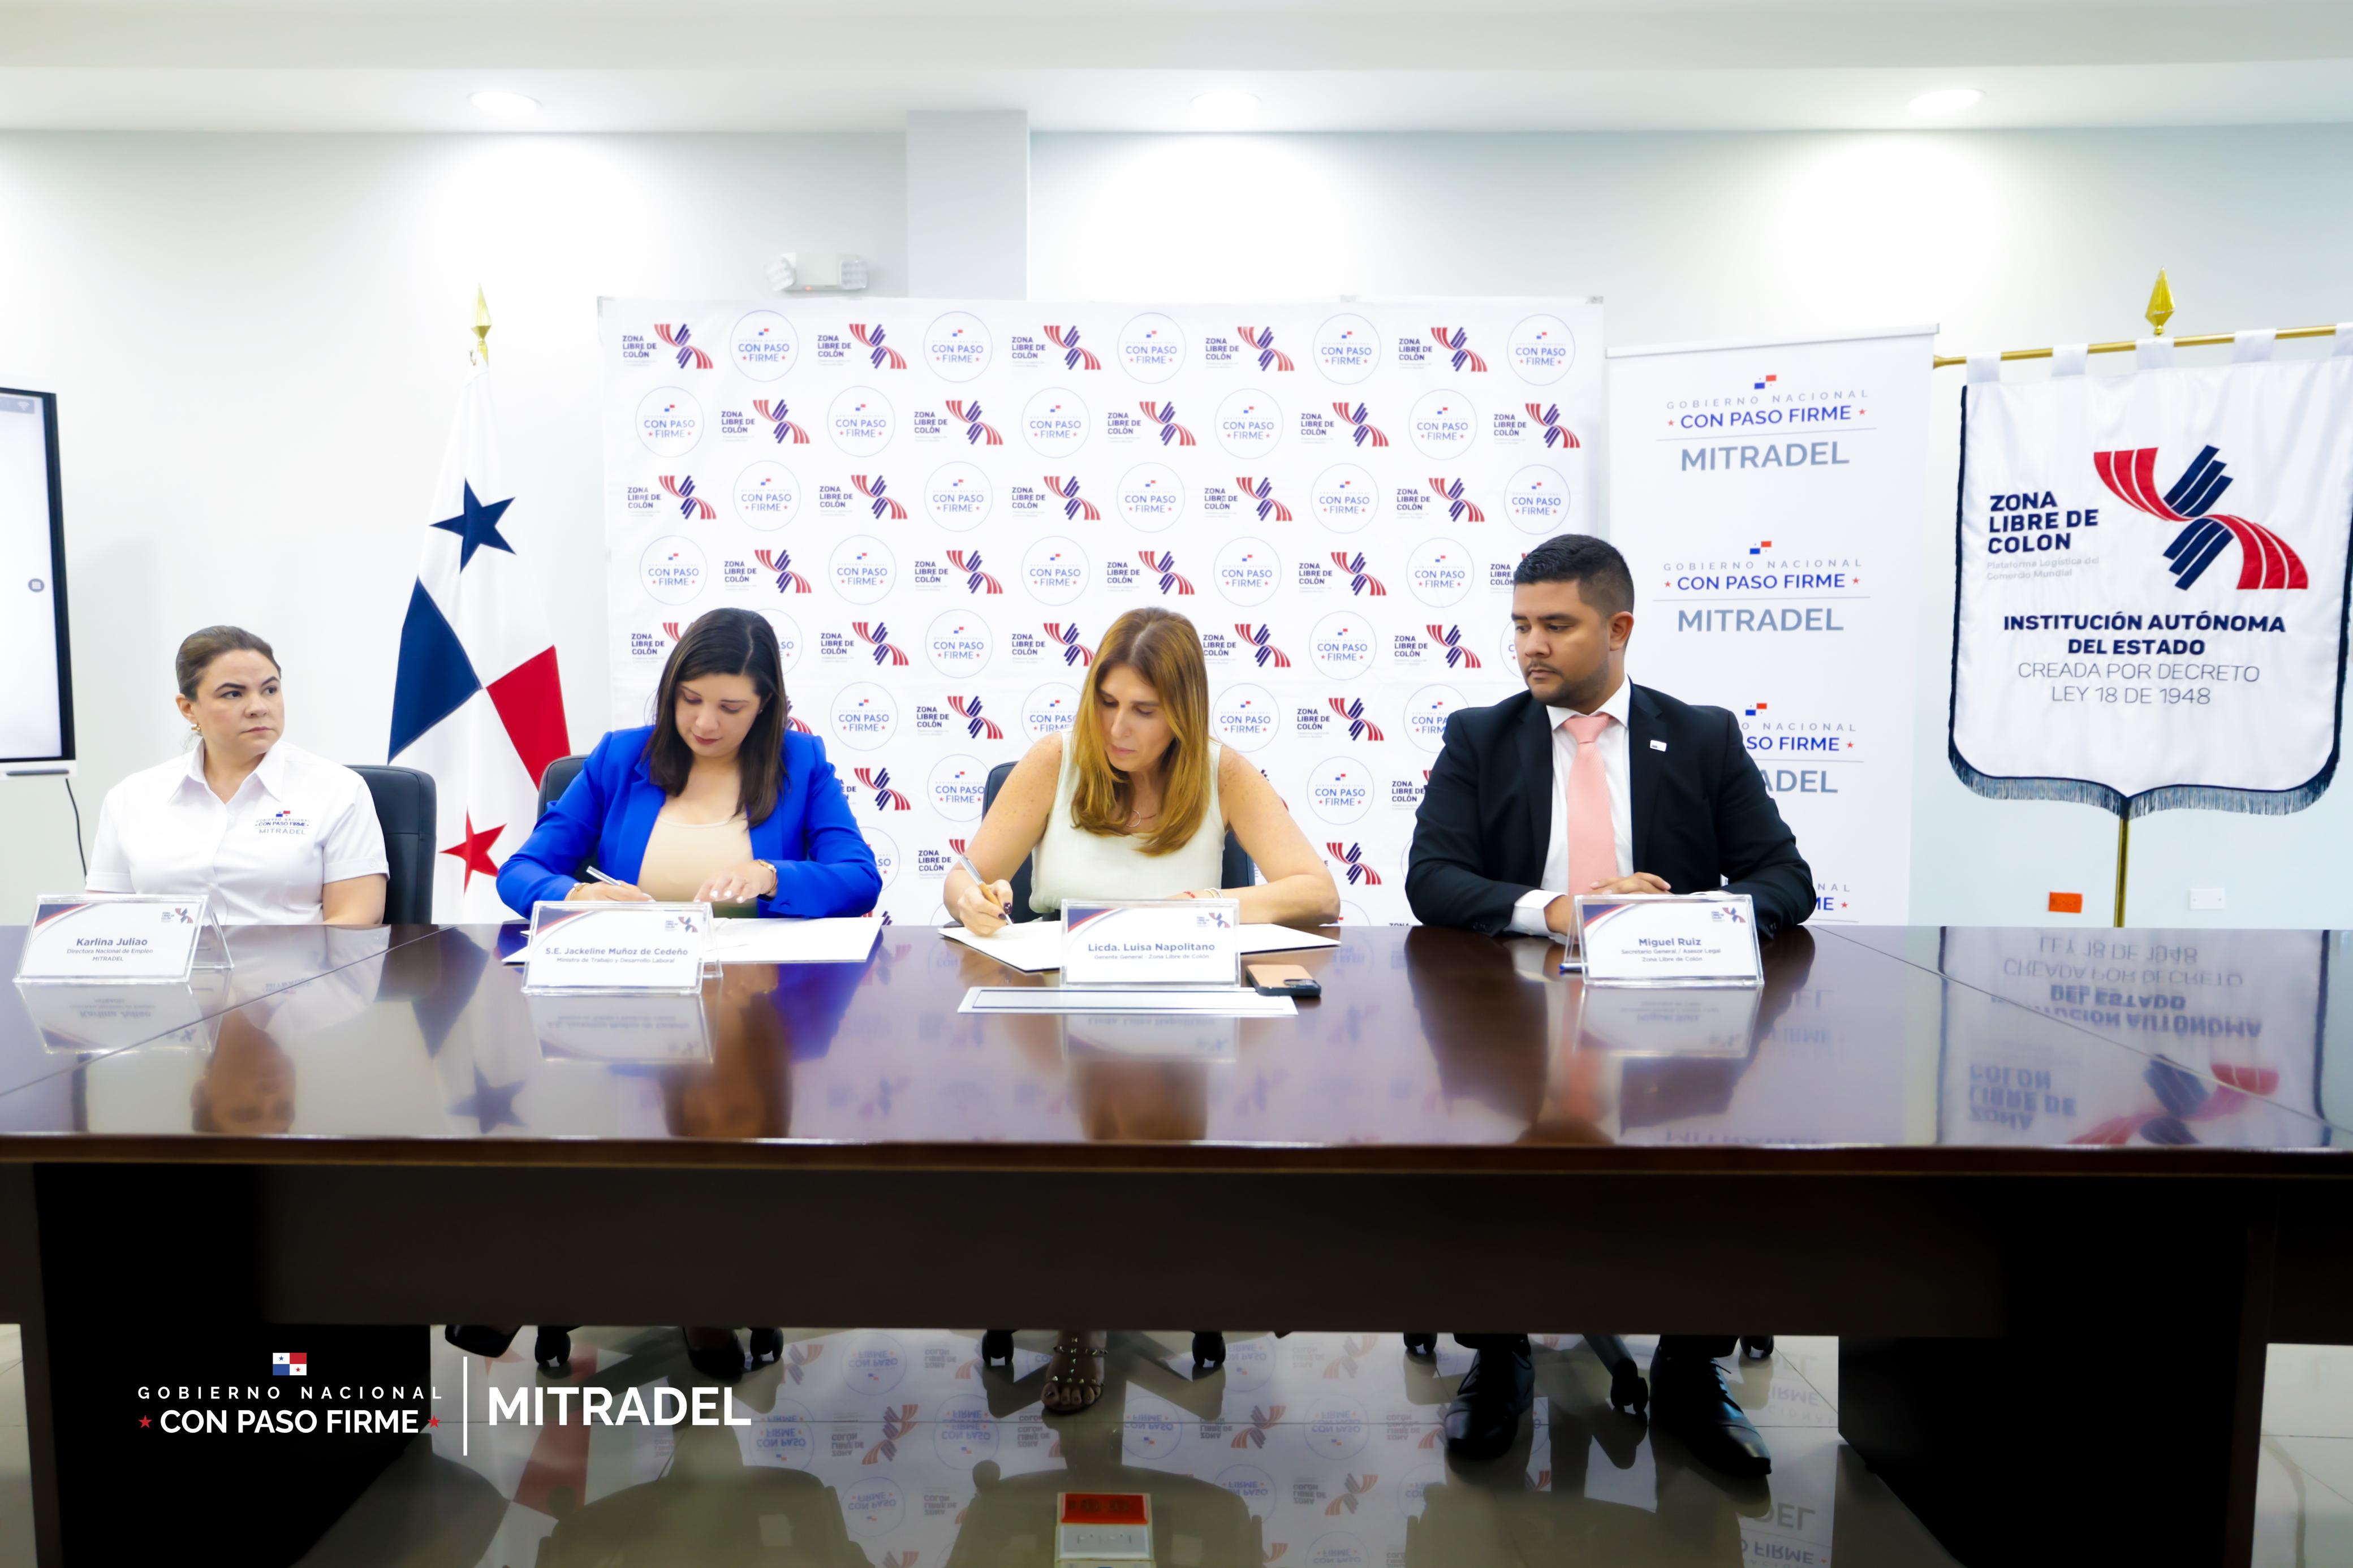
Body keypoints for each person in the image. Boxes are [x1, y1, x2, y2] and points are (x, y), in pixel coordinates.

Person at [1404, 532, 1813, 1479]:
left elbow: (1784, 877)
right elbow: (1433, 877)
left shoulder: (1702, 735)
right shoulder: (1480, 736)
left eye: (1556, 625)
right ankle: (1500, 1352)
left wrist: (1680, 915)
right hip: (1517, 1017)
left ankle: (1690, 1368)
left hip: (1668, 1015)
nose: (1531, 645)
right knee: (1487, 1153)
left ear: (1619, 628)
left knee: (1720, 1160)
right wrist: (1558, 911)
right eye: (1521, 625)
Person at [945, 607, 1339, 1414]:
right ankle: (1084, 1309)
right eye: (1106, 702)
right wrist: (973, 899)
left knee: (1138, 1116)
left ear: (1182, 713)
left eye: (1143, 711)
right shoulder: (1055, 760)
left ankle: (1111, 1288)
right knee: (1089, 1117)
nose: (1117, 728)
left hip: (1178, 1003)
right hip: (1060, 999)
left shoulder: (1222, 771)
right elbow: (965, 877)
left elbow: (1316, 892)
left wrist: (1217, 904)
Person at [498, 607, 880, 919]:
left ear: (764, 704)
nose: (705, 724)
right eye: (691, 699)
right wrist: (578, 895)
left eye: (731, 708)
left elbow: (860, 879)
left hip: (761, 982)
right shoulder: (619, 757)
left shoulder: (800, 762)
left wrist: (771, 875)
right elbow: (520, 871)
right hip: (638, 977)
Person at [88, 625, 387, 925]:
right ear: (189, 708)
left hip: (295, 956)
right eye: (233, 694)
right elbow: (103, 921)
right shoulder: (131, 797)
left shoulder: (337, 789)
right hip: (168, 957)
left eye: (270, 690)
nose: (259, 708)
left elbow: (354, 918)